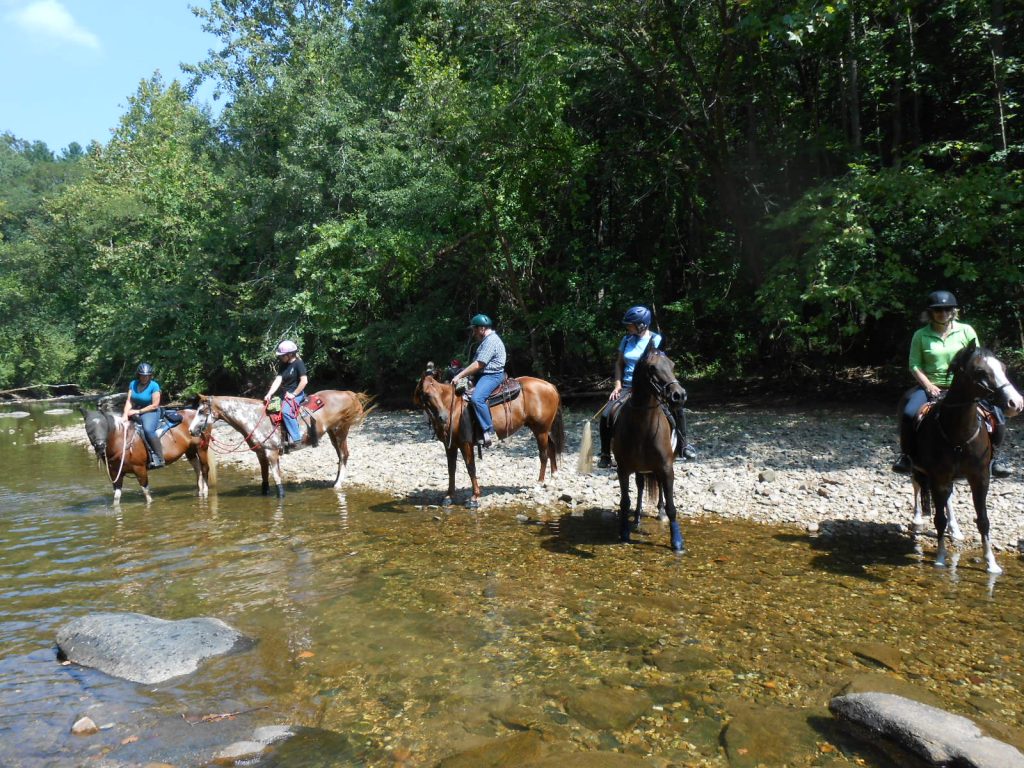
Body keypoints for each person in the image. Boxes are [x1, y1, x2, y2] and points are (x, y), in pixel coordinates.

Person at [893, 290, 1010, 477]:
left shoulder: (966, 331)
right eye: (938, 310)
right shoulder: (921, 335)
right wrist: (929, 385)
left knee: (996, 414)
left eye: (947, 309)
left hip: (965, 387)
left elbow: (979, 359)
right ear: (931, 312)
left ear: (953, 311)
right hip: (932, 385)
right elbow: (914, 365)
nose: (943, 313)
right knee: (908, 414)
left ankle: (995, 457)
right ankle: (906, 456)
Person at [597, 306, 695, 468]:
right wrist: (617, 385)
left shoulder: (656, 340)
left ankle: (683, 446)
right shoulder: (626, 340)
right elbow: (619, 363)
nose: (628, 327)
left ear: (641, 325)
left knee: (677, 409)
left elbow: (661, 366)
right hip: (628, 386)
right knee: (606, 414)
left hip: (651, 386)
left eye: (631, 324)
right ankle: (605, 453)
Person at [450, 314, 506, 448]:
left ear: (482, 328)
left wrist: (459, 375)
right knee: (458, 391)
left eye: (474, 329)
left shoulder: (491, 341)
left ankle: (489, 430)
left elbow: (479, 364)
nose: (473, 332)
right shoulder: (485, 341)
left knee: (477, 398)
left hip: (492, 375)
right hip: (482, 375)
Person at [263, 340, 308, 449]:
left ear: (290, 354)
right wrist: (269, 393)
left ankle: (297, 439)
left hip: (297, 394)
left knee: (285, 411)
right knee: (270, 409)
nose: (280, 357)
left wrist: (294, 394)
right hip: (285, 394)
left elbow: (304, 381)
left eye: (282, 355)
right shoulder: (283, 365)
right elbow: (278, 380)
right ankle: (281, 437)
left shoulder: (298, 364)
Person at [123, 362, 164, 468]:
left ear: (150, 376)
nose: (144, 377)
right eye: (142, 375)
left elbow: (155, 405)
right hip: (136, 409)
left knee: (148, 430)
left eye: (146, 376)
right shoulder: (133, 384)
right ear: (138, 375)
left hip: (151, 411)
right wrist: (124, 414)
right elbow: (129, 401)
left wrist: (137, 412)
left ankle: (159, 458)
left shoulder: (154, 385)